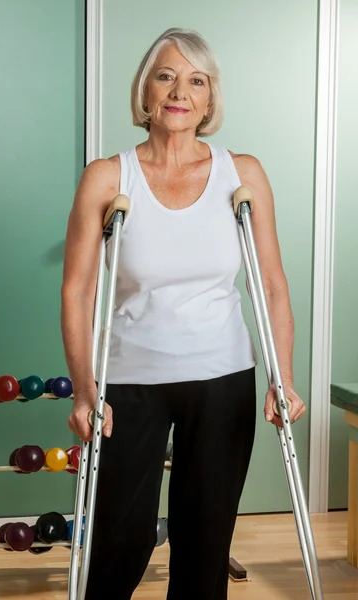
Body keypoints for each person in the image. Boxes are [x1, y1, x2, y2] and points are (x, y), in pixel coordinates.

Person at [61, 27, 306, 600]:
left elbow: (270, 284)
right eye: (166, 76)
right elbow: (77, 291)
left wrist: (283, 378)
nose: (180, 91)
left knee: (204, 546)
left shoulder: (242, 173)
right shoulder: (107, 176)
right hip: (131, 385)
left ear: (210, 100)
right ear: (145, 91)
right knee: (121, 543)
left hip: (223, 380)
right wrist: (82, 390)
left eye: (196, 80)